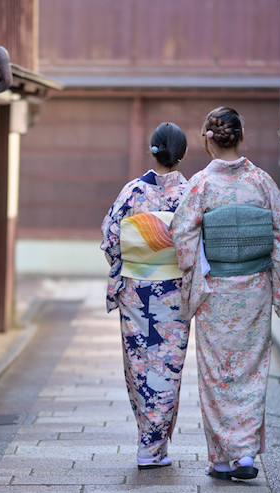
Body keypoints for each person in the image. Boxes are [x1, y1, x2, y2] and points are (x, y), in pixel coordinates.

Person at [170, 106, 280, 480]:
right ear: (240, 137)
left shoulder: (201, 184)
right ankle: (245, 455)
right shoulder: (260, 181)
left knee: (216, 373)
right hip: (255, 290)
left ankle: (221, 460)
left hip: (216, 293)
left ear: (207, 140)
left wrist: (200, 264)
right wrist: (271, 262)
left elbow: (182, 235)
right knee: (251, 370)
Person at [100, 122, 191, 469]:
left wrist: (135, 261)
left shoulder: (132, 192)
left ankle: (148, 442)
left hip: (136, 294)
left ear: (152, 150)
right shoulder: (190, 192)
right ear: (182, 154)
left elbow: (110, 237)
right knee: (168, 366)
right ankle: (153, 447)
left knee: (139, 366)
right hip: (174, 292)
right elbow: (198, 244)